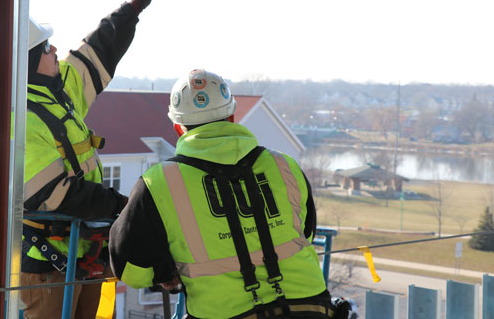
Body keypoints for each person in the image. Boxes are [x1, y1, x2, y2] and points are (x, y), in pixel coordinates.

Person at [109, 69, 343, 319]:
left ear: (179, 127)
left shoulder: (158, 183)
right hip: (312, 308)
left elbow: (131, 269)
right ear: (232, 117)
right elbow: (305, 233)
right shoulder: (284, 165)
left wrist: (166, 273)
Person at [20, 0, 168, 319]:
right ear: (25, 62)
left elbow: (98, 50)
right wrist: (123, 207)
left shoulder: (58, 90)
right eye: (45, 48)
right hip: (48, 263)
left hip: (84, 254)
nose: (54, 51)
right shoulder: (19, 118)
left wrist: (133, 8)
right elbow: (54, 194)